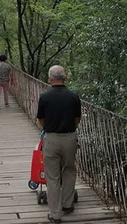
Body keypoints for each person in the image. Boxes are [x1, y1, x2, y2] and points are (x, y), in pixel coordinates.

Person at [36, 65, 81, 223]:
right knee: (69, 170)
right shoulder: (73, 96)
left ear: (50, 78)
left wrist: (49, 129)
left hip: (52, 138)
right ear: (65, 78)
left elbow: (41, 119)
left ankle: (55, 214)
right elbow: (77, 119)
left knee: (52, 177)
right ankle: (67, 204)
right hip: (70, 138)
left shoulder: (44, 97)